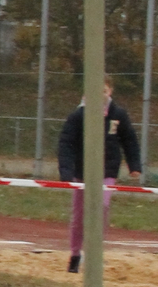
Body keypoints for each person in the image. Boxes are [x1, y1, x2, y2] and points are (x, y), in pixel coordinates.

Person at [57, 78, 142, 272]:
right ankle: (75, 254)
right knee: (79, 215)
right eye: (96, 90)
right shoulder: (78, 116)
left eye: (104, 90)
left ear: (110, 91)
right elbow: (66, 143)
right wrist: (66, 172)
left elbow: (129, 140)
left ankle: (94, 253)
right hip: (82, 172)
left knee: (101, 207)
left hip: (107, 171)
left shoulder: (118, 114)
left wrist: (134, 165)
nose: (100, 94)